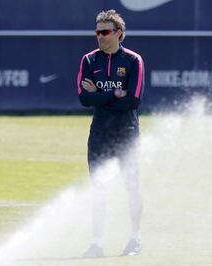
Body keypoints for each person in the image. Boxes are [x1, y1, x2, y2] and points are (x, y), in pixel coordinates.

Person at [77, 9, 144, 258]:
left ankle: (135, 239)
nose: (100, 36)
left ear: (119, 34)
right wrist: (114, 94)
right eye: (97, 32)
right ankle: (96, 243)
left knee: (132, 186)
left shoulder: (133, 61)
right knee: (98, 188)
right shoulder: (89, 60)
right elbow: (84, 99)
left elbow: (134, 100)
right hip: (99, 135)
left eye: (105, 32)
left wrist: (100, 95)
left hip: (127, 133)